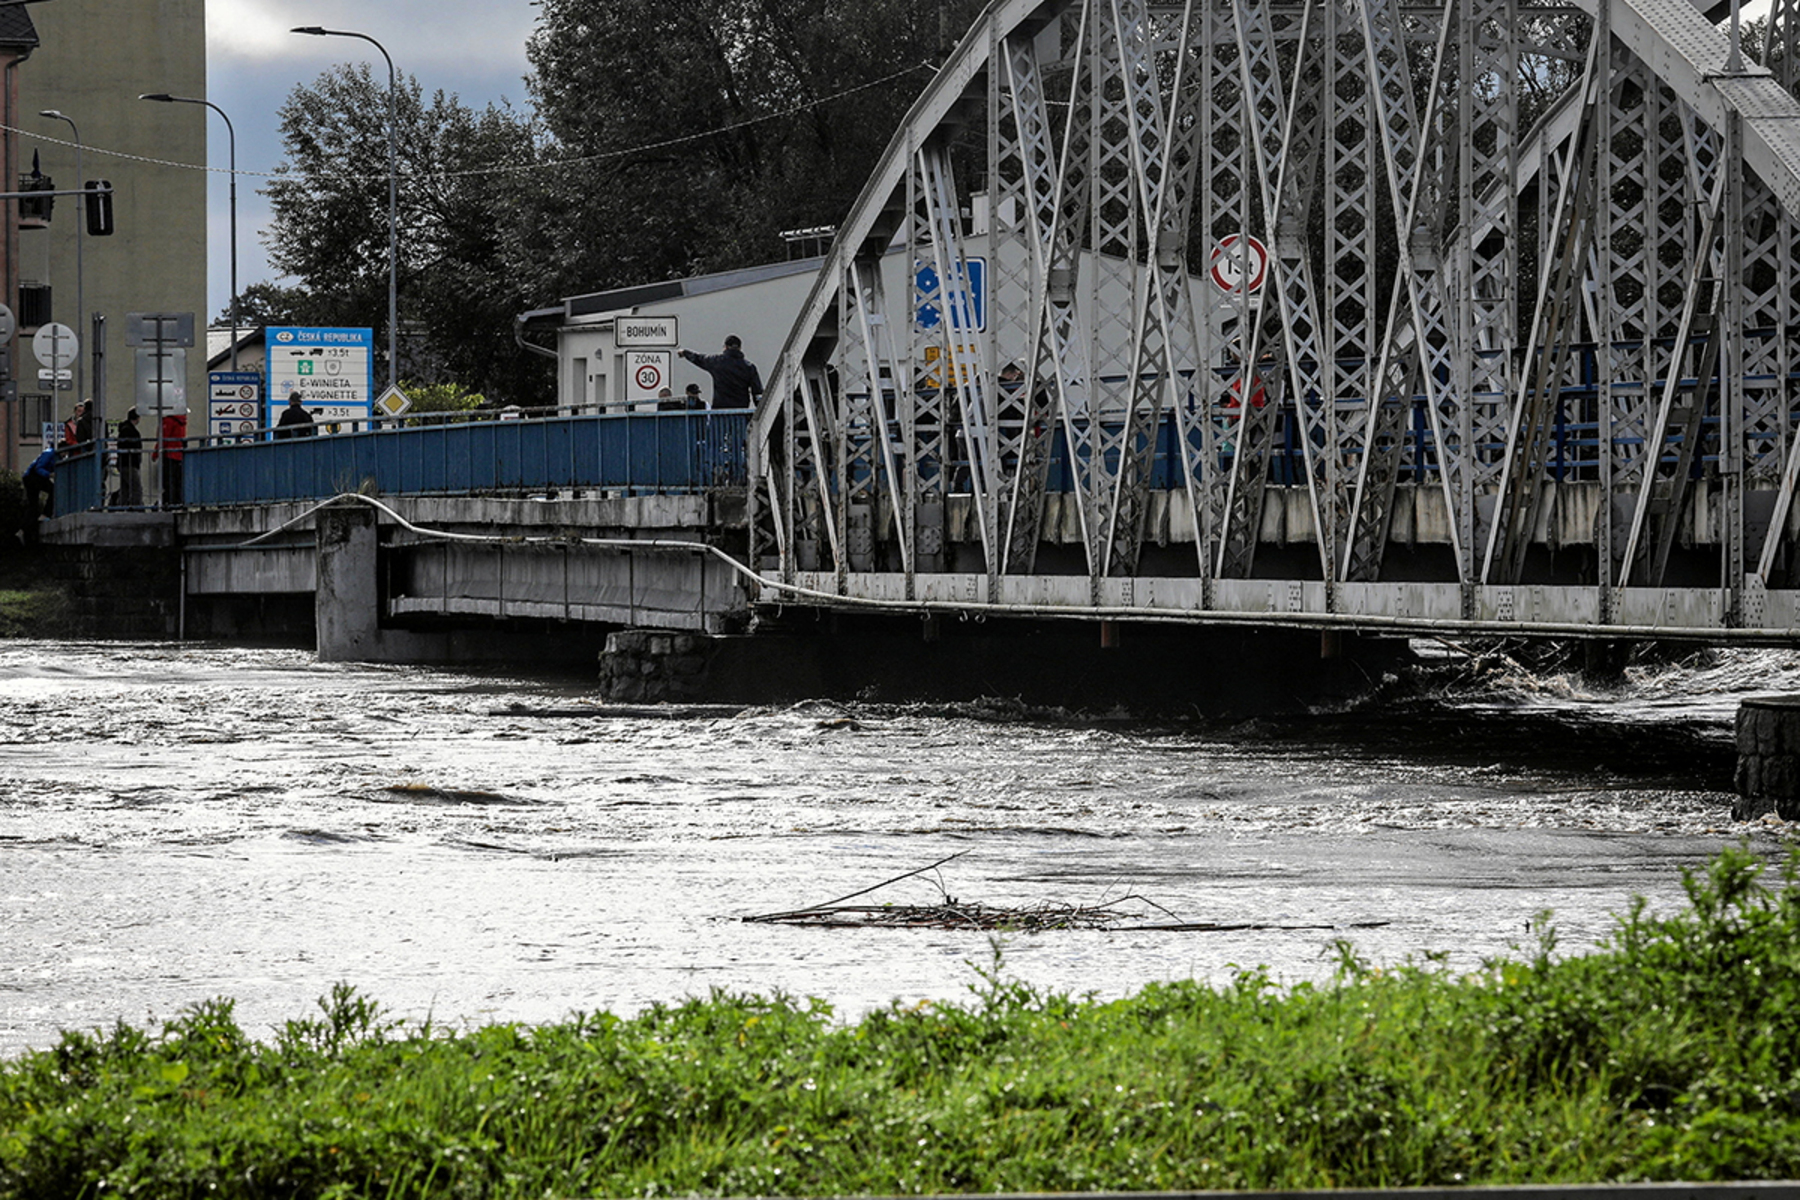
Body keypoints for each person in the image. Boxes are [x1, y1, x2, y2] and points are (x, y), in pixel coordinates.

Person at [678, 334, 763, 410]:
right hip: (740, 414)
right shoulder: (749, 367)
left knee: (719, 428)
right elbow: (757, 393)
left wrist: (685, 353)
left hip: (720, 415)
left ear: (725, 347)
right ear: (740, 348)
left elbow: (700, 359)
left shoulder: (717, 362)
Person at [153, 410, 187, 506]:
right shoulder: (181, 422)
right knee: (177, 482)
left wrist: (156, 453)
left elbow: (163, 439)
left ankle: (165, 503)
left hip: (169, 455)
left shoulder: (169, 421)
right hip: (179, 455)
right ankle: (177, 502)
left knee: (168, 482)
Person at [21, 444, 53, 535]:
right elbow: (39, 468)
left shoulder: (49, 453)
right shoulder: (50, 453)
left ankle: (24, 528)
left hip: (29, 477)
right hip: (34, 477)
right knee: (53, 490)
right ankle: (46, 514)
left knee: (33, 505)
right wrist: (49, 475)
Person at [115, 408, 143, 507]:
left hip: (124, 462)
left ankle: (120, 507)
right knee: (136, 488)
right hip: (130, 463)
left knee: (125, 488)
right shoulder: (129, 430)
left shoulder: (124, 429)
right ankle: (136, 507)